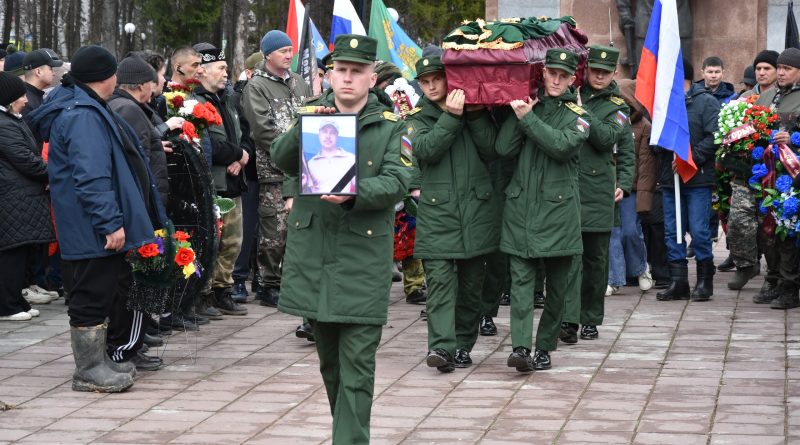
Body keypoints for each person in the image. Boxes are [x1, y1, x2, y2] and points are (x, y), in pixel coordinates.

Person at [270, 34, 412, 444]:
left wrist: (355, 193)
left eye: (356, 71)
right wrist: (306, 123)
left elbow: (398, 181)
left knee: (356, 367)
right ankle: (345, 432)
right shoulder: (313, 116)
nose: (347, 79)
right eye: (340, 71)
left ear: (371, 77)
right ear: (330, 75)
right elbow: (281, 158)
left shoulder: (391, 127)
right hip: (314, 252)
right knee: (330, 365)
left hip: (361, 256)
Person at [28, 45, 167, 392]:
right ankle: (88, 370)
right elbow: (91, 176)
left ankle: (97, 361)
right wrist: (109, 222)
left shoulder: (86, 107)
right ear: (106, 77)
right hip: (90, 227)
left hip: (88, 225)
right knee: (90, 295)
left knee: (98, 291)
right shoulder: (81, 115)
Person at [498, 48, 590, 372]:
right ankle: (521, 347)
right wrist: (518, 113)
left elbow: (560, 146)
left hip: (560, 214)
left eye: (562, 75)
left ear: (571, 79)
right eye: (551, 73)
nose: (555, 79)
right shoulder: (528, 107)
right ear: (543, 73)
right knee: (521, 281)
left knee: (557, 287)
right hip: (522, 208)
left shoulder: (580, 117)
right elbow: (502, 149)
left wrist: (528, 119)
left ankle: (545, 345)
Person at [408, 55, 499, 372]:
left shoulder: (476, 110)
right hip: (438, 215)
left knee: (472, 288)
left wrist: (473, 116)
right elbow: (426, 149)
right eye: (424, 81)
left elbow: (493, 150)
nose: (431, 86)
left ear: (449, 78)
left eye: (436, 78)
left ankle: (463, 345)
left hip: (477, 211)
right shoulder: (416, 117)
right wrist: (451, 116)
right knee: (441, 286)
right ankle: (441, 348)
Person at [559, 45, 635, 344]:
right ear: (586, 70)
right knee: (569, 260)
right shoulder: (568, 92)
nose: (599, 76)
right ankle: (568, 319)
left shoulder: (618, 106)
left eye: (605, 72)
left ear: (614, 73)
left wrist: (625, 183)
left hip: (599, 191)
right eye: (594, 71)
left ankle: (591, 318)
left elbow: (609, 142)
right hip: (568, 188)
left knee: (595, 261)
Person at [242, 30, 312, 308]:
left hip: (305, 169)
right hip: (275, 169)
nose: (288, 55)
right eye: (283, 51)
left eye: (290, 50)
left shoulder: (299, 83)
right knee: (274, 229)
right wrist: (291, 153)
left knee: (299, 229)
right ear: (268, 54)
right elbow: (262, 131)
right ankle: (268, 284)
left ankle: (291, 281)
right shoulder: (256, 86)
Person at [190, 43, 251, 317]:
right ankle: (202, 294)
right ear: (202, 70)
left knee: (232, 242)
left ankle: (222, 290)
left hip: (235, 182)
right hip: (213, 184)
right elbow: (208, 144)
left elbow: (244, 135)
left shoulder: (230, 99)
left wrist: (242, 156)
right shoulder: (193, 102)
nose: (227, 73)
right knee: (210, 241)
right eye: (222, 68)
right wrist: (237, 154)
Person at [654, 58, 719, 303]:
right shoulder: (663, 105)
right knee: (673, 232)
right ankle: (678, 281)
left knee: (700, 231)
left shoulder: (706, 102)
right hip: (670, 180)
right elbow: (656, 140)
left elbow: (715, 138)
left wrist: (689, 159)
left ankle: (705, 280)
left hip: (697, 180)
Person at [0, 72, 54, 322]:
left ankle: (16, 300)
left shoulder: (12, 120)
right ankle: (7, 305)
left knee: (21, 252)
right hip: (13, 197)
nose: (25, 99)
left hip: (21, 196)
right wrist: (53, 173)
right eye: (21, 95)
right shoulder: (3, 124)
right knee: (12, 253)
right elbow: (25, 160)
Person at [755, 47, 800, 309]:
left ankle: (790, 287)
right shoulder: (767, 97)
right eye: (779, 68)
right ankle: (772, 279)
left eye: (787, 68)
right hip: (765, 175)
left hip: (792, 175)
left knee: (788, 230)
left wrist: (794, 140)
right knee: (767, 229)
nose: (780, 72)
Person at [231, 51, 264, 304]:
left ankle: (263, 279)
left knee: (268, 230)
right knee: (246, 227)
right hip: (249, 171)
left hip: (272, 169)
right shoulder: (239, 94)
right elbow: (243, 132)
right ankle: (239, 279)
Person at [302, 120, 356, 194]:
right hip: (319, 204)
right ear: (319, 135)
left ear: (337, 137)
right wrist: (303, 185)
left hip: (344, 204)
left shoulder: (351, 158)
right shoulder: (311, 164)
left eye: (332, 133)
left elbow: (358, 188)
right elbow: (308, 192)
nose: (328, 136)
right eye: (325, 132)